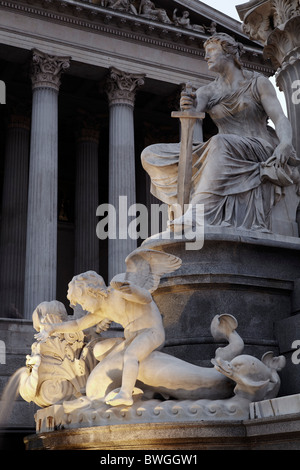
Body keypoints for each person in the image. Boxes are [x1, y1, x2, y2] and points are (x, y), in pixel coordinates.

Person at [141, 33, 299, 232]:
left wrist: (285, 143)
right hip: (223, 147)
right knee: (150, 154)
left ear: (230, 53)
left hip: (258, 146)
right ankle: (189, 206)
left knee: (219, 142)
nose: (206, 57)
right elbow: (193, 115)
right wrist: (188, 107)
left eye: (212, 51)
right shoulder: (207, 92)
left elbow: (279, 118)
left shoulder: (257, 83)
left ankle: (199, 213)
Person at [34, 270, 166, 407]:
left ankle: (126, 394)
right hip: (132, 338)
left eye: (82, 302)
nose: (83, 307)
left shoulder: (117, 290)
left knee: (131, 354)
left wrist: (133, 290)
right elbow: (77, 324)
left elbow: (146, 298)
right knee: (98, 349)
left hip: (151, 332)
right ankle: (123, 380)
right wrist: (53, 328)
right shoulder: (102, 311)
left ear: (91, 291)